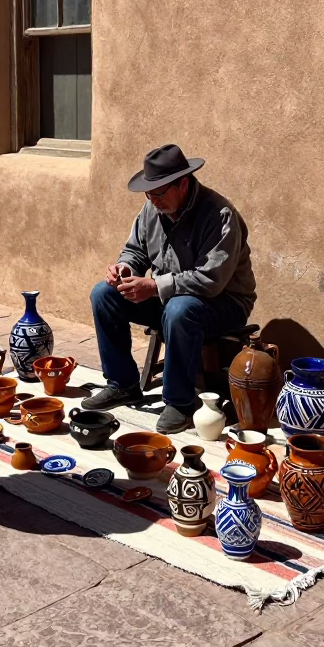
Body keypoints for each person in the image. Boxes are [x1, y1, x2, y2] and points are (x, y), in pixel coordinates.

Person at [83, 144, 256, 432]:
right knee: (103, 294)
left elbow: (210, 281)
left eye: (159, 193)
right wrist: (125, 268)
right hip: (170, 298)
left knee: (180, 308)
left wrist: (153, 286)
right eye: (148, 194)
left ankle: (180, 403)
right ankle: (122, 384)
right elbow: (135, 250)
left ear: (183, 184)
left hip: (224, 304)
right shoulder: (152, 208)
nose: (152, 201)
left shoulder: (219, 215)